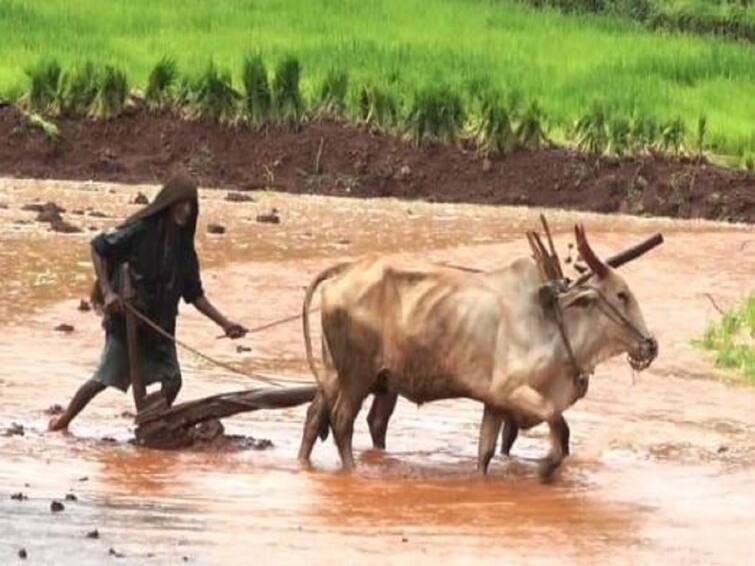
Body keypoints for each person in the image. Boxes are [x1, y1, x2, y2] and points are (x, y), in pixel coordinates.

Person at [49, 175, 246, 431]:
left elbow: (195, 295)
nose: (186, 210)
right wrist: (108, 292)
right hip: (128, 320)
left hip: (161, 326)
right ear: (169, 203)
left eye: (190, 205)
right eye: (181, 203)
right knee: (103, 379)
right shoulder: (142, 230)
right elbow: (99, 247)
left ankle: (151, 423)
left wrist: (225, 324)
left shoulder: (185, 250)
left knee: (173, 381)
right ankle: (65, 420)